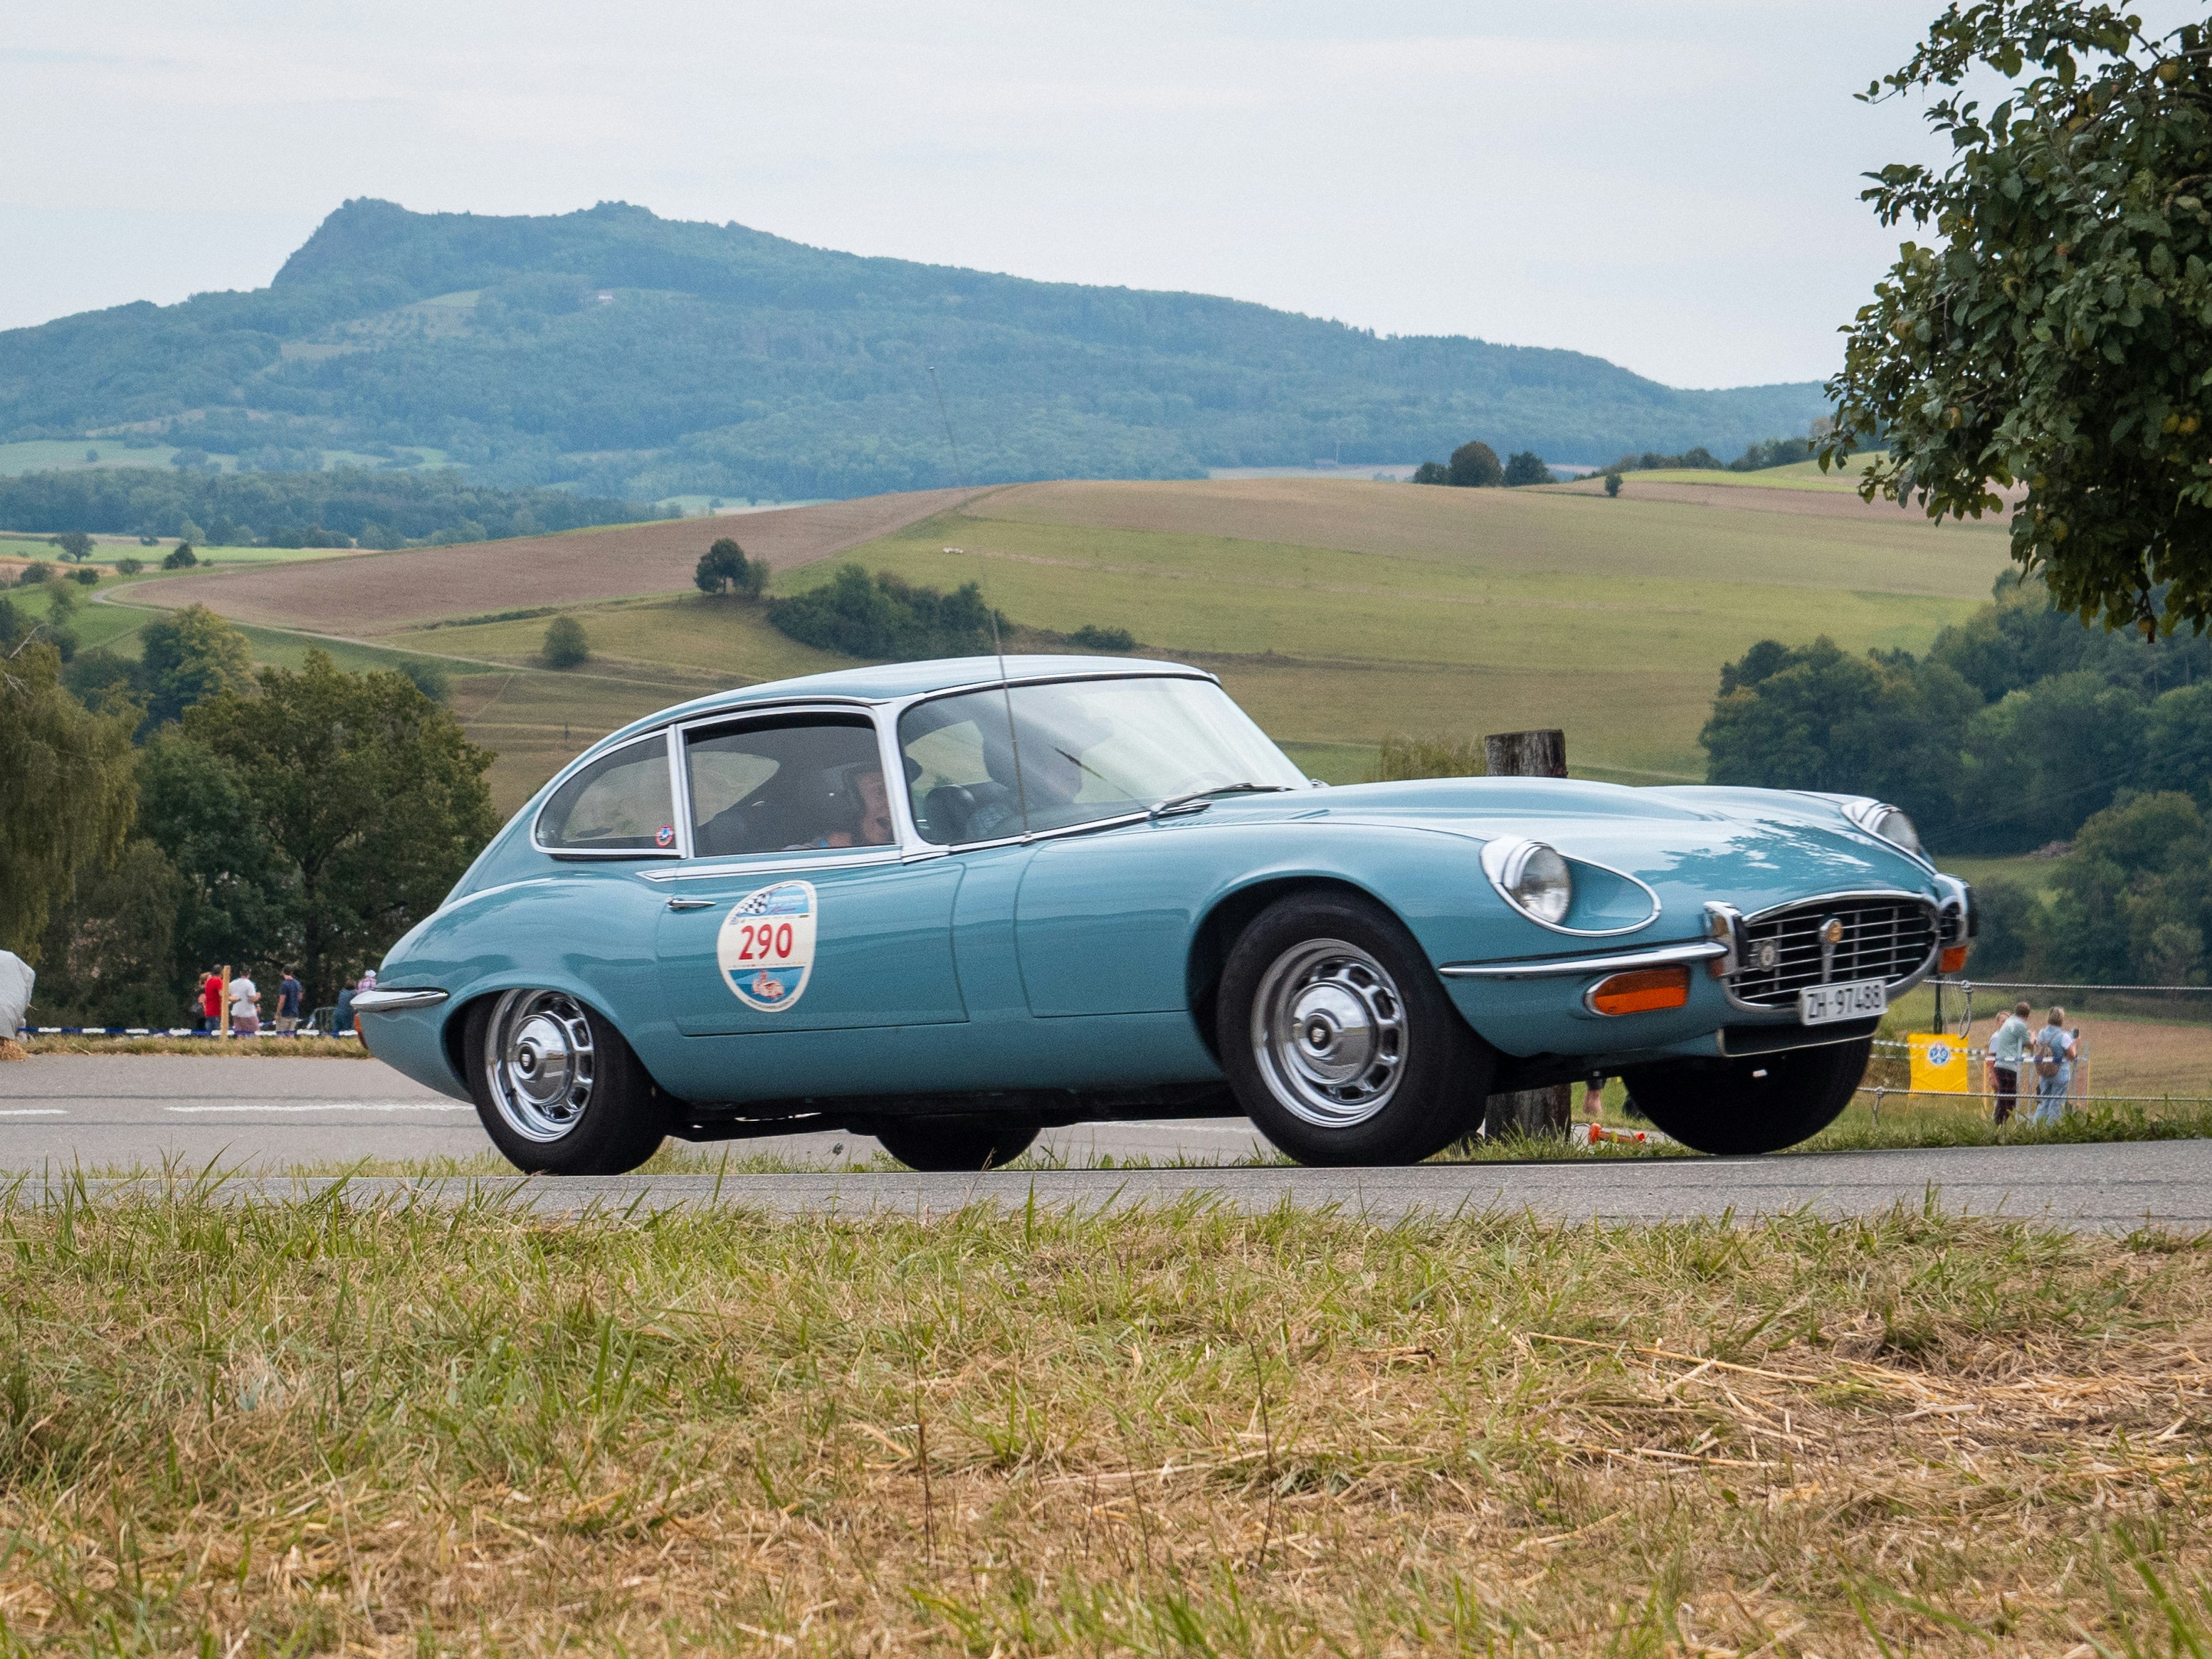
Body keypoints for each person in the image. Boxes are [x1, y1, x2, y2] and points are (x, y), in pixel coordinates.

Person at [2031, 1006, 2078, 1126]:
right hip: (2060, 1071)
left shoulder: (2042, 1033)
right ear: (2062, 1019)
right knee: (2056, 1102)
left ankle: (2036, 1126)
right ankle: (2052, 1128)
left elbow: (2038, 1045)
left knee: (2044, 1101)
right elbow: (2072, 1055)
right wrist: (2075, 1043)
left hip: (2045, 1072)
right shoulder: (2064, 1036)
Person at [1989, 999, 2032, 1125]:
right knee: (2008, 1100)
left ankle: (1999, 1124)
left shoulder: (2010, 1021)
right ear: (2027, 1015)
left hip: (2002, 1064)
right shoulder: (2020, 1025)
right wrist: (2033, 1038)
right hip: (2008, 1066)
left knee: (2006, 1098)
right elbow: (2028, 1043)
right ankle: (1998, 1124)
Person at [228, 969, 260, 1037]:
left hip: (236, 1012)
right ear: (249, 974)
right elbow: (252, 999)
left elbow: (229, 996)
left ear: (240, 973)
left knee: (240, 1034)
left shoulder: (232, 984)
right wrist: (257, 997)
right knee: (255, 1033)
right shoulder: (249, 984)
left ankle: (239, 1046)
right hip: (248, 1014)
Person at [274, 968, 303, 1034]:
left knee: (281, 1034)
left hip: (285, 1013)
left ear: (283, 973)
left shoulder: (284, 984)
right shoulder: (297, 983)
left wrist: (278, 1013)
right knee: (290, 1035)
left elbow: (282, 1000)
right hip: (295, 1012)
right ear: (291, 973)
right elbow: (300, 997)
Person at [199, 967, 225, 1034]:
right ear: (221, 973)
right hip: (216, 1012)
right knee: (218, 1035)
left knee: (209, 1035)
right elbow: (222, 994)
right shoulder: (218, 981)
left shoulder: (208, 982)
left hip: (208, 1012)